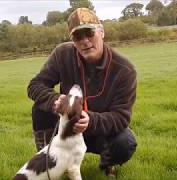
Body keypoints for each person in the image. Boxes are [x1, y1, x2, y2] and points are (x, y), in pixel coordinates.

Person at [27, 7, 137, 177]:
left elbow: (121, 117)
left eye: (89, 32)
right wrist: (55, 100)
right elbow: (35, 85)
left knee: (125, 142)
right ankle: (50, 161)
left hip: (98, 130)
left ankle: (108, 164)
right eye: (78, 36)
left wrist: (90, 120)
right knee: (40, 108)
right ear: (72, 39)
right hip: (66, 128)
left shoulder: (124, 70)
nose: (85, 41)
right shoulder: (62, 54)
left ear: (102, 32)